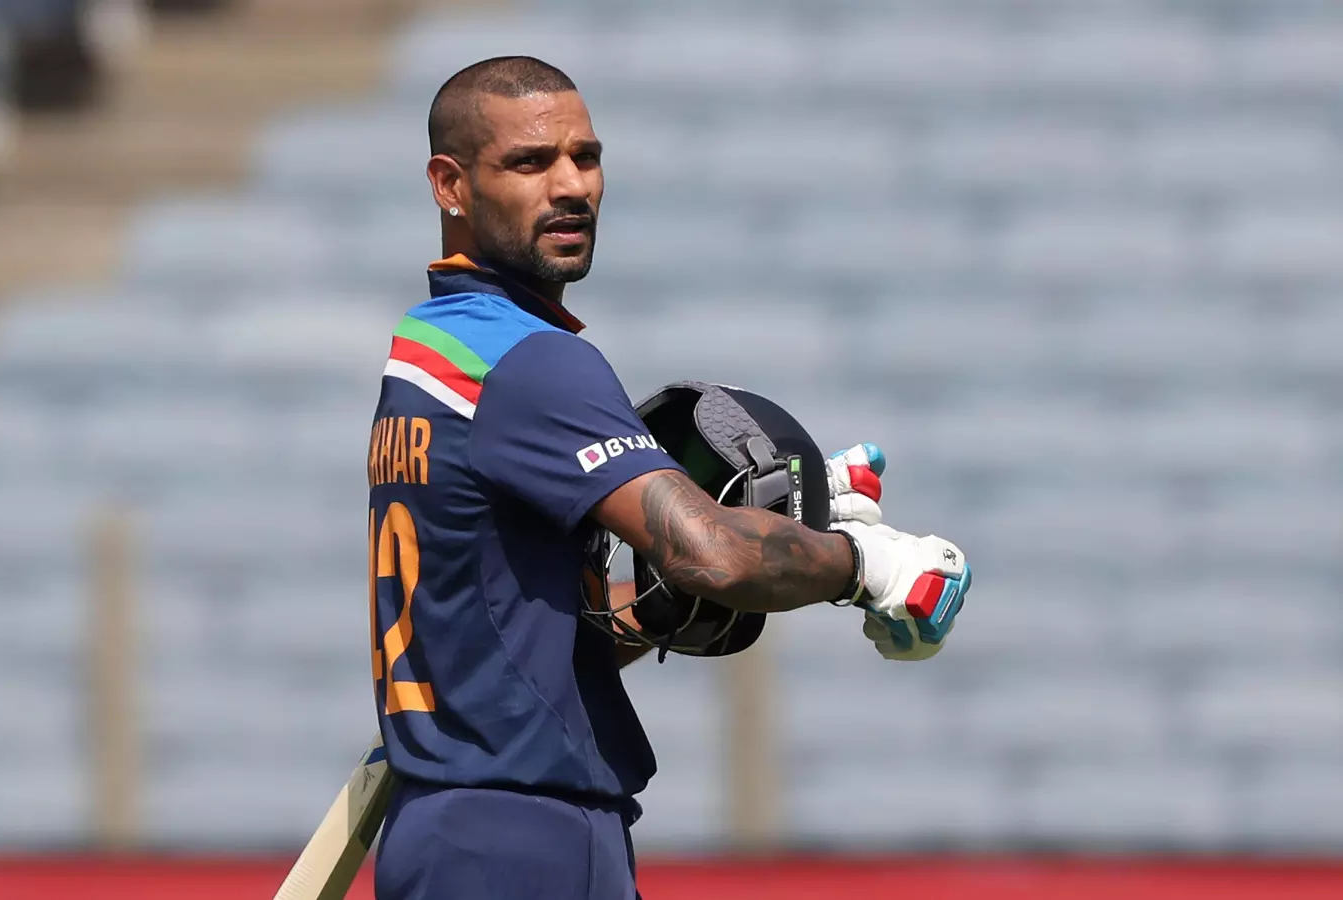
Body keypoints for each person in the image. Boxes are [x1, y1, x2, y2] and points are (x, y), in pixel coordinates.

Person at [365, 56, 971, 900]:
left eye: (586, 156)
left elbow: (514, 633)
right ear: (449, 185)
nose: (571, 186)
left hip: (449, 830)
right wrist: (868, 564)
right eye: (530, 162)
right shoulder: (531, 363)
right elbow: (711, 555)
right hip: (526, 836)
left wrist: (746, 549)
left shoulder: (424, 352)